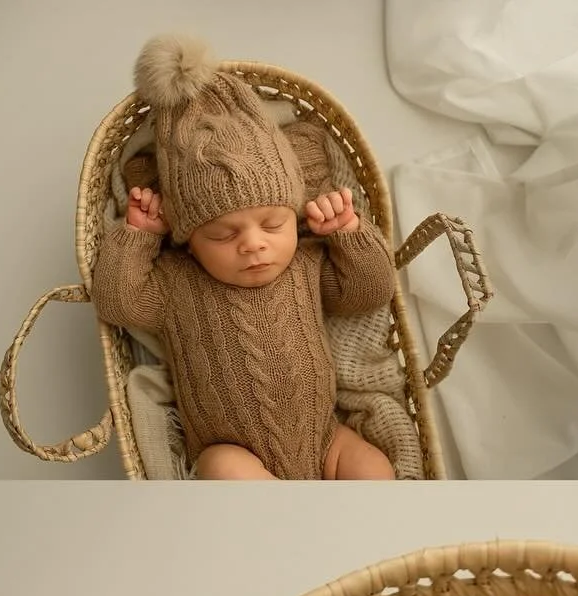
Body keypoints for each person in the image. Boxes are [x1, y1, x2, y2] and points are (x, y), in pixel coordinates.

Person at [90, 34, 396, 479]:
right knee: (225, 470)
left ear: (295, 216)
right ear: (188, 239)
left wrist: (348, 234)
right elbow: (117, 301)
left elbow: (369, 292)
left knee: (372, 467)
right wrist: (137, 236)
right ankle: (287, 529)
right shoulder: (175, 283)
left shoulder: (305, 265)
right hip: (230, 450)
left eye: (273, 225)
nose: (253, 244)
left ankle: (359, 530)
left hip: (325, 439)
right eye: (222, 234)